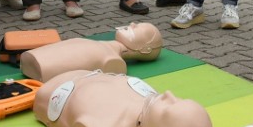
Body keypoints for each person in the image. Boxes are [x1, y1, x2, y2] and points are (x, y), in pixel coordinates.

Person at [33, 69, 212, 127]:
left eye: (168, 108)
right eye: (179, 99)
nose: (168, 94)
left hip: (54, 89)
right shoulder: (146, 96)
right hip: (83, 73)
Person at [20, 22, 162, 81]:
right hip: (35, 58)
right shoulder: (103, 49)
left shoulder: (114, 62)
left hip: (41, 68)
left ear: (145, 49)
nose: (132, 24)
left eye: (139, 28)